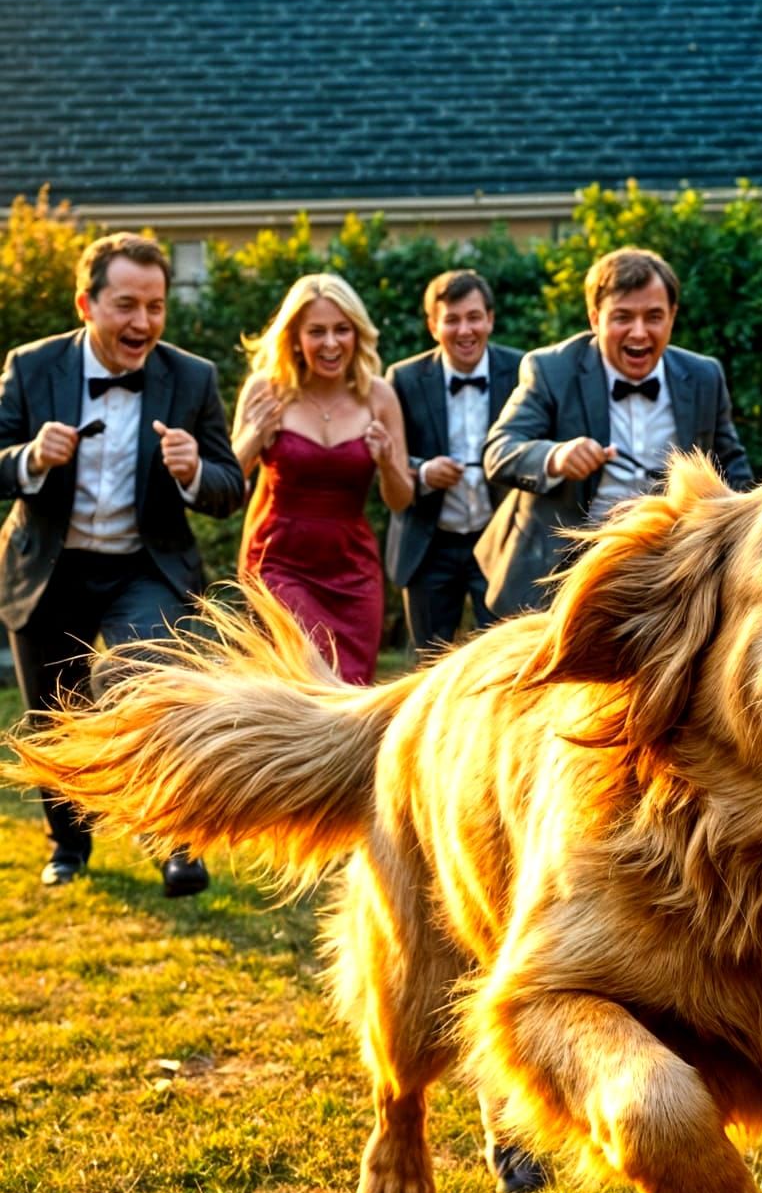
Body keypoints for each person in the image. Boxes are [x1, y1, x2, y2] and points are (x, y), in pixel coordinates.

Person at [0, 232, 244, 892]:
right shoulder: (31, 367)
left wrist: (195, 472)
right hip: (49, 567)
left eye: (156, 307)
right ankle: (69, 845)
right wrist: (30, 458)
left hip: (144, 568)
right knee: (55, 714)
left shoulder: (191, 378)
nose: (143, 323)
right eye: (126, 305)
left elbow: (230, 487)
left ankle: (174, 840)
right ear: (87, 303)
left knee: (153, 690)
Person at [479, 247, 753, 615]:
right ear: (595, 319)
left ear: (672, 316)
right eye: (622, 317)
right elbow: (499, 451)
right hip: (563, 565)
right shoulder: (551, 369)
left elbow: (731, 465)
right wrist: (555, 457)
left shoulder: (704, 376)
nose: (639, 332)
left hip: (668, 563)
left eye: (653, 316)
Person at [232, 274, 413, 683]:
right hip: (278, 561)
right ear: (295, 338)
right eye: (317, 332)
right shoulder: (266, 390)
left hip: (353, 570)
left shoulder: (379, 396)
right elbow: (228, 481)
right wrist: (251, 438)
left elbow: (401, 499)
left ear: (357, 334)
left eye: (341, 330)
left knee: (351, 693)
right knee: (303, 683)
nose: (331, 343)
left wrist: (386, 460)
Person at [385, 271, 522, 654]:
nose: (465, 330)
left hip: (498, 538)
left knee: (503, 659)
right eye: (452, 319)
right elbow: (389, 453)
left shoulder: (522, 370)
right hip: (430, 543)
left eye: (474, 317)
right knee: (428, 663)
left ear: (490, 320)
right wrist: (425, 471)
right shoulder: (404, 378)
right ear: (433, 326)